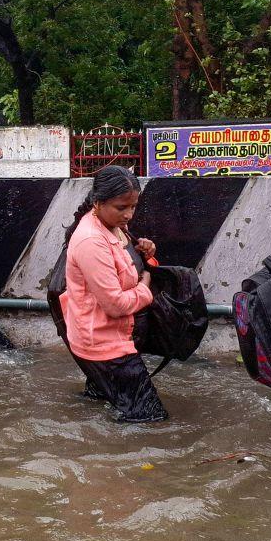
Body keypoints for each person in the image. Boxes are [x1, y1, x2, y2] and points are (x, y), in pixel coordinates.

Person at [60, 165, 168, 423]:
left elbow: (125, 269)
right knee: (150, 419)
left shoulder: (113, 227)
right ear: (97, 202)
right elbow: (116, 305)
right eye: (122, 207)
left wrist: (146, 255)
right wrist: (145, 288)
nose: (129, 214)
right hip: (105, 347)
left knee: (102, 405)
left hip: (102, 338)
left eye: (133, 206)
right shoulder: (91, 240)